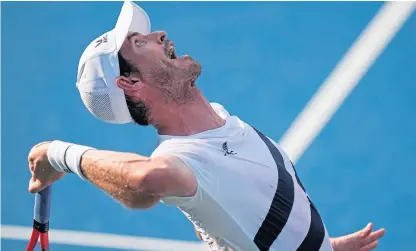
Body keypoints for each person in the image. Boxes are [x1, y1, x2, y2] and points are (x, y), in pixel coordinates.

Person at [27, 1, 385, 251]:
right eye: (140, 42)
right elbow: (144, 181)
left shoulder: (220, 118)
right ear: (130, 84)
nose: (160, 34)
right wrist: (57, 154)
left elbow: (228, 228)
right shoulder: (182, 162)